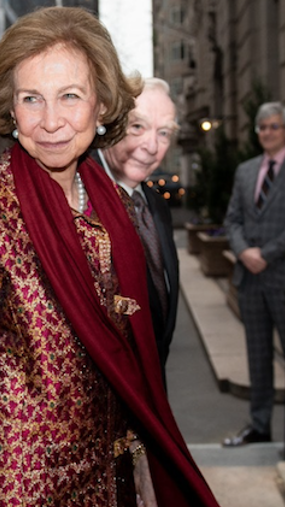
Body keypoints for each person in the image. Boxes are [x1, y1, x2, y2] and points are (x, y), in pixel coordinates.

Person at [0, 7, 283, 507]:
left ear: (103, 104)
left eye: (70, 96)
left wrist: (142, 466)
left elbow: (125, 366)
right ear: (8, 107)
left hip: (109, 498)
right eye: (31, 98)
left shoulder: (112, 208)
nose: (52, 121)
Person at [222, 101, 285, 457]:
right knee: (257, 355)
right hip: (250, 279)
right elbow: (231, 219)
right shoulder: (246, 171)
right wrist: (244, 251)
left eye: (275, 126)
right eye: (262, 127)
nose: (267, 132)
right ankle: (260, 425)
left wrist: (266, 254)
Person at [94, 77, 180, 377]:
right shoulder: (77, 199)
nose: (152, 146)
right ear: (111, 123)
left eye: (164, 132)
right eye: (138, 127)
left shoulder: (156, 207)